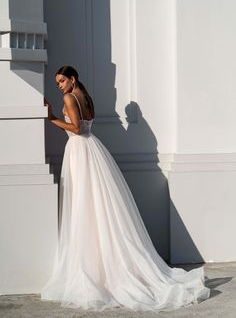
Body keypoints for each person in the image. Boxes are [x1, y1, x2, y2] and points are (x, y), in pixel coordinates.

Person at [41, 65, 210, 312]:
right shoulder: (86, 97)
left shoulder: (69, 97)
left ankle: (94, 269)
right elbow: (86, 125)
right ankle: (101, 265)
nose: (59, 86)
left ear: (72, 79)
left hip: (80, 150)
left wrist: (53, 118)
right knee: (95, 206)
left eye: (61, 81)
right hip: (93, 150)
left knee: (85, 207)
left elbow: (77, 129)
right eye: (58, 83)